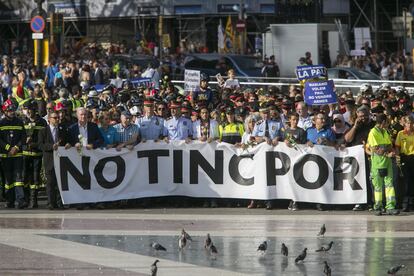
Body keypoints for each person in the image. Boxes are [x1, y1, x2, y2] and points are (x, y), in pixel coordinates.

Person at [366, 113, 399, 216]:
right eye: (387, 122)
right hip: (378, 163)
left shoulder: (385, 131)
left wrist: (391, 151)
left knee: (389, 184)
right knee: (378, 186)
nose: (388, 124)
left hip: (387, 162)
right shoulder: (373, 132)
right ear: (383, 122)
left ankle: (390, 207)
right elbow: (376, 149)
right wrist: (387, 153)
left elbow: (389, 145)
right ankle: (378, 206)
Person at [344, 105, 375, 211]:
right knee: (359, 180)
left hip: (370, 157)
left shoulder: (373, 125)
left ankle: (371, 202)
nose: (363, 118)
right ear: (357, 115)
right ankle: (359, 202)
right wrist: (355, 126)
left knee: (370, 180)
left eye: (365, 116)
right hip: (358, 158)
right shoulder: (354, 126)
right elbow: (347, 139)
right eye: (361, 116)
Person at [0, 99, 27, 208]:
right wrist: (8, 148)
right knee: (8, 179)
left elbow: (23, 137)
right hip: (5, 156)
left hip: (17, 155)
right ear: (5, 111)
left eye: (13, 110)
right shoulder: (1, 123)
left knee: (18, 179)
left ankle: (20, 200)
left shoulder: (19, 122)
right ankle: (10, 201)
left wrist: (16, 147)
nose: (12, 111)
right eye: (9, 110)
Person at [22, 100, 47, 208]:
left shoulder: (42, 122)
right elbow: (19, 138)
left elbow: (45, 140)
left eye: (29, 109)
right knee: (25, 177)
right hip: (25, 154)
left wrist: (35, 144)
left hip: (36, 155)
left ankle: (34, 200)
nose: (27, 112)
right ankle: (26, 200)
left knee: (36, 178)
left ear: (34, 110)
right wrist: (25, 142)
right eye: (26, 109)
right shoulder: (23, 121)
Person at [38, 111, 66, 209]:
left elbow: (66, 141)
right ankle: (51, 203)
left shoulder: (62, 130)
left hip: (60, 160)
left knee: (60, 183)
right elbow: (40, 145)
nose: (57, 119)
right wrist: (51, 146)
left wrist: (67, 144)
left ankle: (60, 203)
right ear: (49, 119)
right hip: (49, 160)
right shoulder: (43, 131)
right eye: (55, 118)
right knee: (50, 182)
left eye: (58, 117)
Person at [282, 112, 307, 211]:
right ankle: (290, 200)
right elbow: (281, 142)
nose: (295, 122)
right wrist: (284, 142)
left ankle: (295, 201)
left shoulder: (301, 131)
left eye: (297, 120)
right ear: (290, 120)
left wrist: (294, 143)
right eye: (293, 119)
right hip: (287, 159)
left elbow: (304, 145)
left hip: (298, 158)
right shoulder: (285, 131)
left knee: (297, 179)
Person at [395, 115, 414, 212]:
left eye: (411, 123)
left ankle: (411, 202)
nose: (410, 125)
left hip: (413, 157)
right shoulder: (401, 133)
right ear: (405, 124)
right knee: (407, 180)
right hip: (405, 158)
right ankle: (406, 203)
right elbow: (397, 147)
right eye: (408, 123)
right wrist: (398, 157)